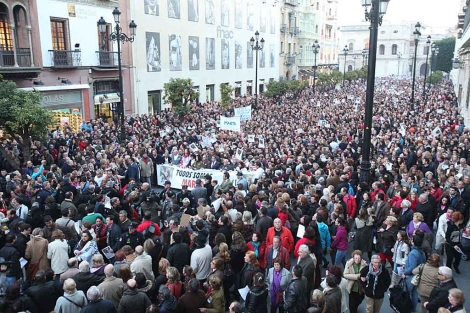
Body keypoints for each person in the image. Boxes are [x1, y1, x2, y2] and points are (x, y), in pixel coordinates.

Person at [402, 234, 426, 313]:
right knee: (415, 294)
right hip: (418, 276)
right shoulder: (422, 251)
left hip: (410, 277)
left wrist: (405, 272)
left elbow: (412, 267)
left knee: (407, 294)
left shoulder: (413, 253)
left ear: (413, 242)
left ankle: (407, 309)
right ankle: (413, 310)